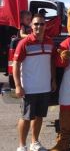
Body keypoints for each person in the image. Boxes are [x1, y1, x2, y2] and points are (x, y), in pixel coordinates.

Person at [13, 14, 57, 151]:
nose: (39, 26)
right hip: (29, 87)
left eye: (41, 24)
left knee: (39, 116)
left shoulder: (50, 42)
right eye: (36, 24)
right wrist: (18, 85)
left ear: (46, 26)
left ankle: (34, 143)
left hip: (44, 87)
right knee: (26, 117)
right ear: (31, 26)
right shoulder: (24, 42)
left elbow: (52, 62)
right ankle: (22, 146)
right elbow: (16, 64)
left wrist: (53, 79)